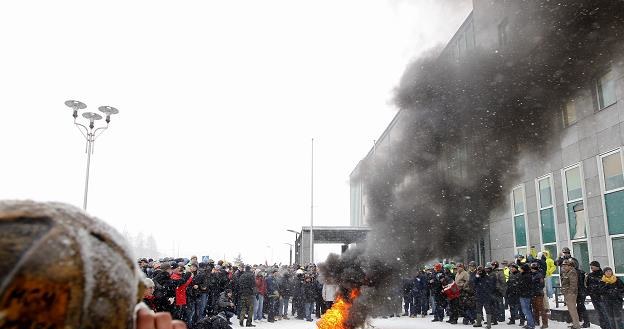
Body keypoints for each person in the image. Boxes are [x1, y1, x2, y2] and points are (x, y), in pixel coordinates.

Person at [585, 261, 610, 329]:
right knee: (599, 313)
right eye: (591, 266)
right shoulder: (590, 275)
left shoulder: (602, 274)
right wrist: (589, 291)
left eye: (592, 266)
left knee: (605, 313)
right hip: (594, 296)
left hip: (601, 296)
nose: (591, 267)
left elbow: (605, 285)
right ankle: (603, 326)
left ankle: (608, 327)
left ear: (597, 266)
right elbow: (587, 285)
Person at [561, 259, 581, 329]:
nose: (564, 267)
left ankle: (576, 325)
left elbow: (573, 284)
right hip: (567, 293)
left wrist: (570, 293)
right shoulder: (567, 272)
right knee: (571, 310)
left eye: (566, 266)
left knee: (573, 310)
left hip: (571, 294)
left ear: (570, 266)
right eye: (563, 266)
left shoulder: (572, 272)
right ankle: (575, 324)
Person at [529, 262, 547, 329]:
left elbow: (542, 285)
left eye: (533, 268)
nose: (532, 269)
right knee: (535, 309)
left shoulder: (539, 275)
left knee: (541, 309)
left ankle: (545, 323)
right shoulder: (532, 274)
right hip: (534, 293)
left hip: (538, 294)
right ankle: (536, 321)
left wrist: (535, 288)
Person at [518, 264, 536, 329]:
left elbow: (524, 286)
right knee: (526, 310)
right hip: (524, 294)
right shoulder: (525, 275)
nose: (520, 270)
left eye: (521, 268)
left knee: (526, 310)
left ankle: (531, 324)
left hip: (525, 295)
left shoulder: (526, 276)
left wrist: (519, 288)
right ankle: (529, 323)